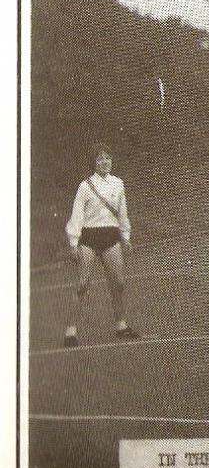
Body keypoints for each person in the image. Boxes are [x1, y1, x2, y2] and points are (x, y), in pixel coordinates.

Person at [64, 142, 139, 347]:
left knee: (119, 283)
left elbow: (122, 213)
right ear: (94, 163)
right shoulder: (85, 186)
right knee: (82, 284)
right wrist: (73, 242)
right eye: (100, 159)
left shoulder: (118, 184)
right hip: (89, 238)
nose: (104, 162)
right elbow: (77, 215)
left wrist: (126, 237)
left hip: (111, 237)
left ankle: (121, 325)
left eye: (107, 158)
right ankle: (71, 331)